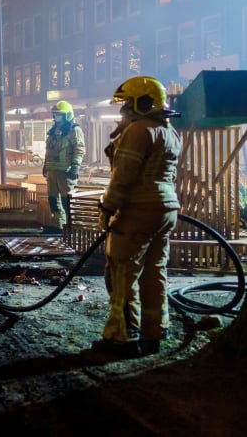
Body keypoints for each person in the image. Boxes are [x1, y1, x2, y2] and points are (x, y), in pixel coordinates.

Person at [92, 76, 182, 357]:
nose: (123, 111)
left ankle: (123, 337)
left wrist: (107, 208)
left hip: (137, 211)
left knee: (123, 272)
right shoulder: (169, 132)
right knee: (155, 271)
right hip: (166, 211)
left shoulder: (138, 131)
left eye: (128, 104)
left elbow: (124, 177)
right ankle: (155, 332)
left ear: (143, 103)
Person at [42, 100, 85, 233]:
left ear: (67, 115)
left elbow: (79, 149)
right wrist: (45, 166)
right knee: (53, 199)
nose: (56, 117)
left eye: (59, 114)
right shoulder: (53, 131)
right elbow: (49, 150)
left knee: (68, 200)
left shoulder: (74, 130)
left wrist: (76, 166)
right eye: (55, 114)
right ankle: (58, 225)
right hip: (52, 170)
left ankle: (73, 227)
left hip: (66, 171)